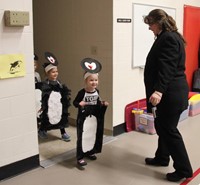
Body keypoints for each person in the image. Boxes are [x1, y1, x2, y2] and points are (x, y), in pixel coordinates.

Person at [143, 9, 193, 182]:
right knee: (162, 126)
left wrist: (158, 91)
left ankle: (183, 169)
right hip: (171, 93)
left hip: (170, 94)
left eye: (150, 24)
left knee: (168, 130)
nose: (150, 28)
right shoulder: (168, 36)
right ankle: (162, 158)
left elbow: (168, 68)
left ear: (158, 23)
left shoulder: (169, 38)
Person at [73, 58, 108, 167]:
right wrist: (80, 104)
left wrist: (102, 104)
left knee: (92, 134)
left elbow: (97, 102)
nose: (94, 82)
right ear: (86, 81)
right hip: (83, 119)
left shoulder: (97, 92)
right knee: (82, 136)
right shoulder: (81, 92)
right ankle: (80, 157)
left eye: (96, 80)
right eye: (91, 80)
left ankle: (90, 151)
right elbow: (75, 103)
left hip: (93, 118)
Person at [36, 52, 71, 142]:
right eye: (53, 72)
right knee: (47, 117)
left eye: (56, 71)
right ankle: (42, 130)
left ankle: (63, 133)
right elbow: (42, 95)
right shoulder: (44, 84)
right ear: (47, 73)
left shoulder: (59, 83)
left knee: (61, 117)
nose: (55, 73)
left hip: (59, 105)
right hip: (49, 105)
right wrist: (42, 106)